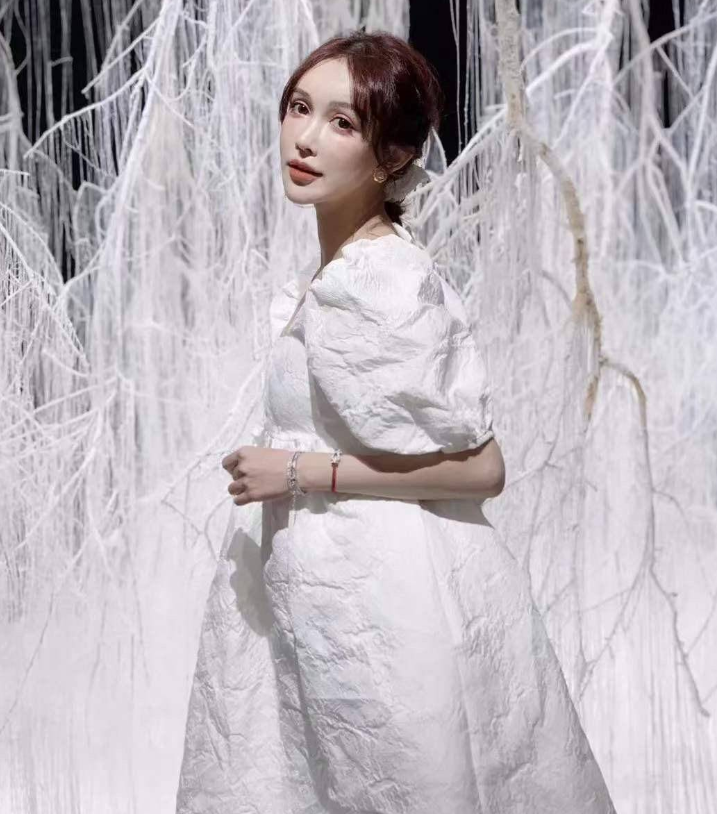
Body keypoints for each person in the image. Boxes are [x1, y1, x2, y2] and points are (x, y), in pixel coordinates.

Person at [176, 30, 617, 814]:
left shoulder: (379, 281)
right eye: (299, 108)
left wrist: (297, 470)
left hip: (381, 601)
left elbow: (482, 468)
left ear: (392, 158)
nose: (305, 138)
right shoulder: (345, 270)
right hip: (328, 591)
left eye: (343, 123)